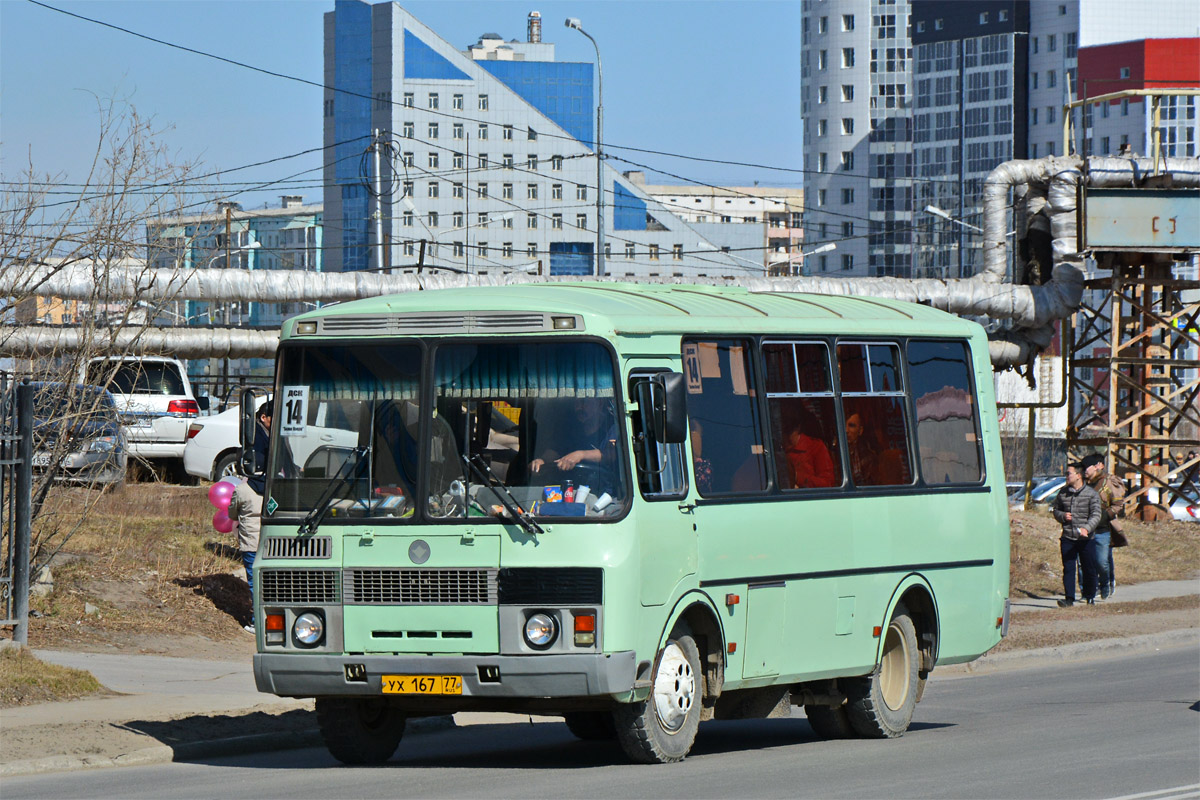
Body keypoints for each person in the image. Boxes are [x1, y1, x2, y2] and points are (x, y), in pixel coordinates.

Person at [227, 399, 287, 633]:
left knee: (255, 583)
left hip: (250, 543)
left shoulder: (242, 490)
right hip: (273, 540)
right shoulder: (275, 490)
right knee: (273, 581)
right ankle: (273, 619)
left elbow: (232, 513)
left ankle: (256, 621)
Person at [529, 397, 618, 489]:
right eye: (576, 403)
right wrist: (542, 461)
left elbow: (609, 455)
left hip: (603, 492)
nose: (579, 408)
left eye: (584, 402)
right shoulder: (570, 427)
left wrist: (580, 455)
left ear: (599, 403)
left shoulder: (612, 426)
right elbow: (555, 450)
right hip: (570, 489)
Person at [1051, 462, 1102, 607]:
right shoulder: (1063, 492)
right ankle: (1069, 599)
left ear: (1079, 476)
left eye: (1069, 473)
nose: (1066, 476)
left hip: (1086, 538)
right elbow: (1055, 509)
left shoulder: (1091, 494)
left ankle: (1090, 596)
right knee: (1068, 568)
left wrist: (1087, 528)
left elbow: (1096, 514)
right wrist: (1062, 516)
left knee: (1088, 568)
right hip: (1068, 536)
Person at [1081, 453, 1126, 600]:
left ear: (1095, 467)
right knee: (1083, 564)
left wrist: (1106, 515)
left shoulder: (1108, 482)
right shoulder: (1082, 483)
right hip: (1085, 529)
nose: (1084, 471)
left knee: (1102, 562)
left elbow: (1118, 504)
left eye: (1086, 467)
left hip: (1102, 529)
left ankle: (1105, 583)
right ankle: (1086, 591)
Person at [844, 411, 876, 485]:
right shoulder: (832, 455)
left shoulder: (870, 457)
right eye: (843, 425)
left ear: (860, 431)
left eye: (851, 425)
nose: (846, 430)